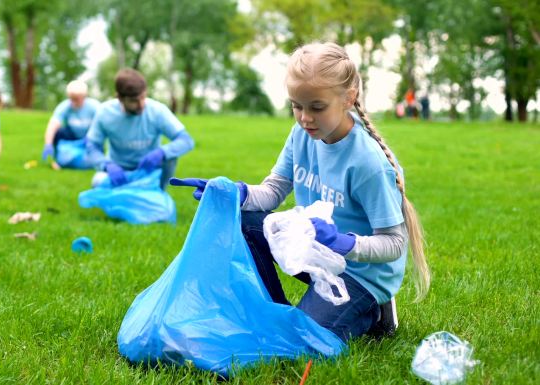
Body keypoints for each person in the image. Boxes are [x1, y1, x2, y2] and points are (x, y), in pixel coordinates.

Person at [170, 42, 430, 342]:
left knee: (307, 341)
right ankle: (275, 313)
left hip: (360, 273)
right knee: (244, 220)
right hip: (315, 252)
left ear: (349, 98)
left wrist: (342, 242)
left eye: (317, 107)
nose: (305, 117)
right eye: (296, 105)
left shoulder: (368, 163)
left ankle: (375, 310)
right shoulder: (301, 135)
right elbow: (272, 191)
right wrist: (234, 193)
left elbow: (394, 243)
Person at [86, 68, 194, 190]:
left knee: (170, 157)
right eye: (134, 101)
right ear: (120, 98)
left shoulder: (157, 110)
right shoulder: (105, 112)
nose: (141, 104)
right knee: (97, 181)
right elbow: (92, 146)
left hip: (149, 169)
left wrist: (161, 152)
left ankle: (160, 192)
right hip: (118, 170)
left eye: (143, 97)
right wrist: (106, 165)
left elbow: (186, 140)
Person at [41, 79, 100, 168]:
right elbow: (53, 125)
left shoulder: (95, 106)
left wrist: (93, 137)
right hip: (72, 135)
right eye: (71, 99)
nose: (73, 102)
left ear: (84, 96)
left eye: (76, 99)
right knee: (59, 132)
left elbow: (103, 126)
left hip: (90, 137)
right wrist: (48, 144)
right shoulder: (64, 106)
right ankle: (58, 160)